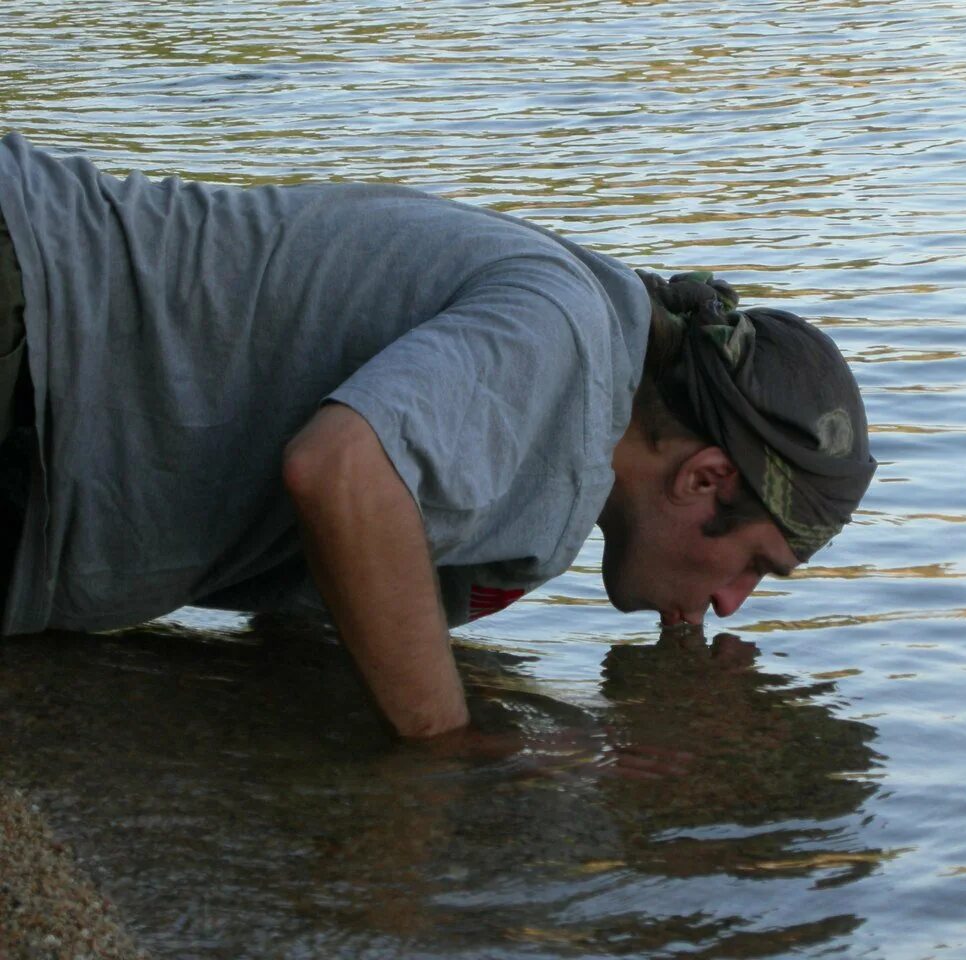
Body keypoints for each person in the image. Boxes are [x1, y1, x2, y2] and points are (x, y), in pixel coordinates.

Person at [0, 132, 876, 740]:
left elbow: (313, 609)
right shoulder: (567, 347)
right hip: (31, 340)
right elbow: (340, 473)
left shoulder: (576, 370)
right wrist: (446, 740)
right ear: (704, 478)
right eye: (756, 565)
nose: (731, 604)